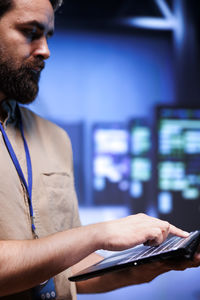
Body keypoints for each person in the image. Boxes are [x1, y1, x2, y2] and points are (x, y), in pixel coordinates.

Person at [0, 0, 199, 299]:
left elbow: (68, 271)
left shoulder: (55, 138)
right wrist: (99, 233)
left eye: (47, 36)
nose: (45, 50)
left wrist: (137, 269)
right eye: (30, 32)